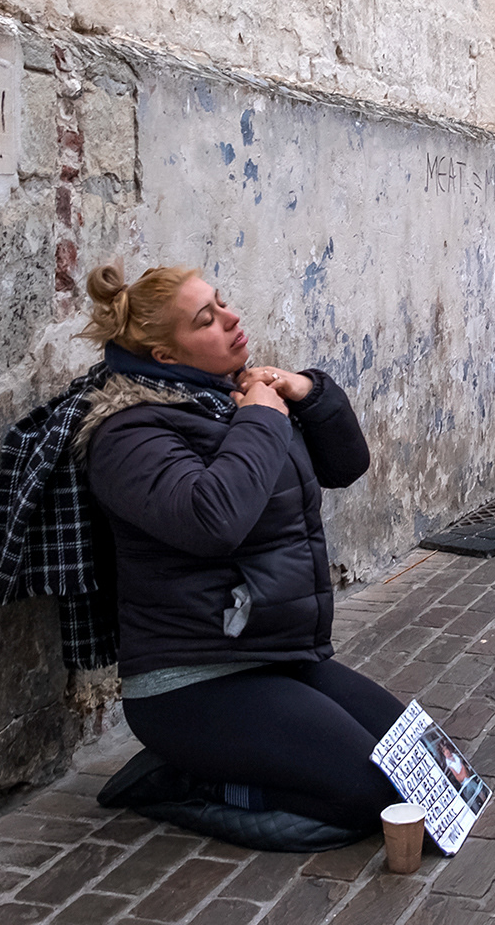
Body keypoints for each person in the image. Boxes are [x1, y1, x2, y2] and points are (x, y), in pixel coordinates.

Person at [77, 260, 405, 837]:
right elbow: (212, 519)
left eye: (222, 302)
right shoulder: (127, 434)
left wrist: (309, 392)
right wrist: (262, 420)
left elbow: (344, 465)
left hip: (277, 656)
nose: (231, 318)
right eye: (207, 319)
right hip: (191, 682)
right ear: (165, 358)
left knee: (422, 770)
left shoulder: (227, 398)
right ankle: (179, 782)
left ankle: (235, 761)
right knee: (370, 800)